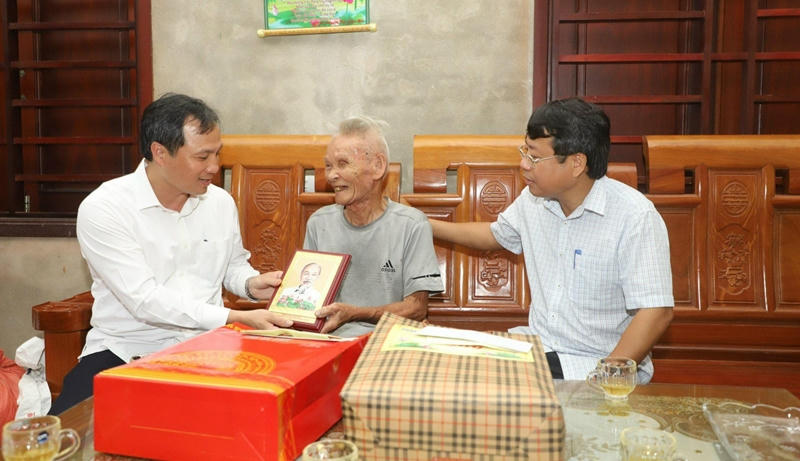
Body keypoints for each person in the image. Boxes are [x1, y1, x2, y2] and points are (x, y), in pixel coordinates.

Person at [49, 93, 292, 414]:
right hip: (126, 350)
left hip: (210, 349)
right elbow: (144, 300)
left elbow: (233, 266)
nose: (214, 167)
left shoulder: (219, 203)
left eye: (217, 154)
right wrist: (233, 317)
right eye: (202, 157)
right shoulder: (105, 208)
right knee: (65, 431)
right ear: (160, 153)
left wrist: (250, 284)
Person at [429, 98, 674, 383]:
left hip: (593, 362)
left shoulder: (634, 216)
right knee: (452, 361)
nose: (523, 165)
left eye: (534, 157)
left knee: (479, 381)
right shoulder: (534, 201)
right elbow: (495, 234)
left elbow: (656, 311)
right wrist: (426, 226)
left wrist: (609, 375)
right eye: (525, 151)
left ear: (576, 163)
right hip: (539, 348)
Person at [303, 116, 444, 336]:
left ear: (378, 166)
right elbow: (309, 298)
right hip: (330, 341)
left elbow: (417, 308)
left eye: (343, 164)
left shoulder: (412, 225)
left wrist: (356, 313)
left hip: (388, 341)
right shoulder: (319, 223)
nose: (331, 175)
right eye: (328, 166)